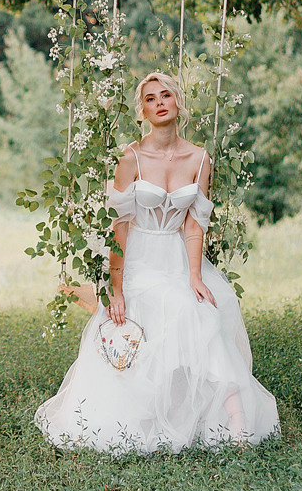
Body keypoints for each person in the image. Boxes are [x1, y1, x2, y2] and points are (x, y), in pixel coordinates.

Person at [35, 71, 280, 453]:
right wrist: (116, 289)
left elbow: (195, 224)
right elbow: (120, 228)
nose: (159, 103)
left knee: (206, 311)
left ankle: (236, 420)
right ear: (143, 110)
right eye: (150, 98)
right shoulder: (130, 157)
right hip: (138, 260)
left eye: (166, 95)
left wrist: (197, 275)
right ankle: (145, 416)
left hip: (179, 260)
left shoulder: (199, 159)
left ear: (178, 102)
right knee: (159, 320)